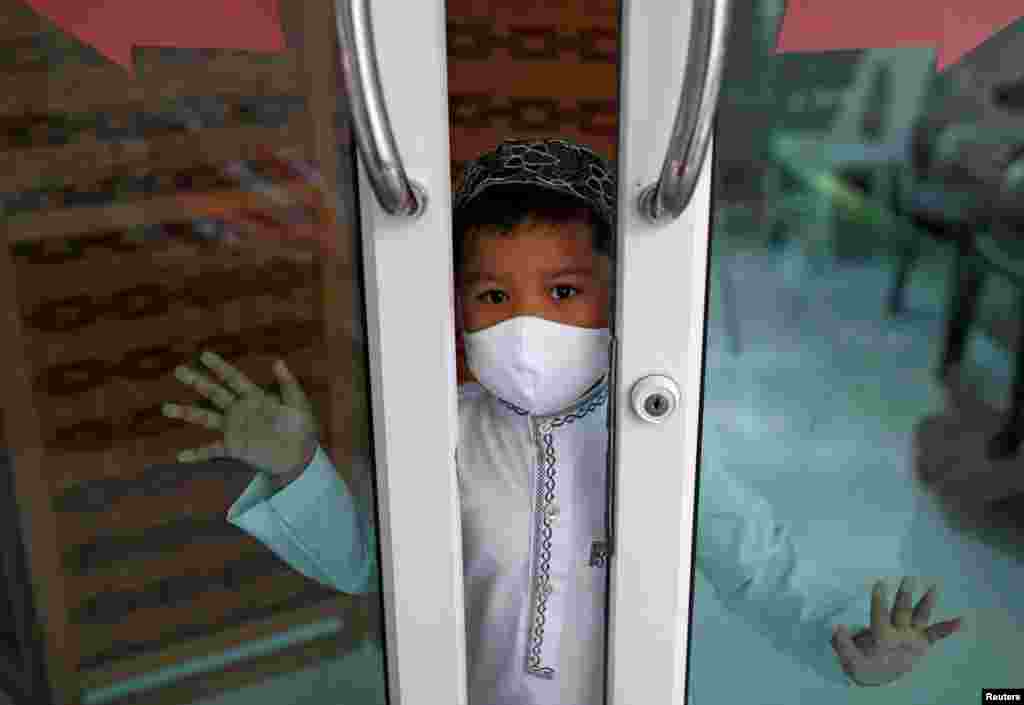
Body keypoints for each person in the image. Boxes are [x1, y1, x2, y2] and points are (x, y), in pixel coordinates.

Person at [162, 139, 963, 705]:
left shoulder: (652, 436)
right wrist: (298, 467)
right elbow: (366, 563)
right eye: (494, 295)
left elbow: (757, 567)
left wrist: (845, 638)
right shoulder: (438, 429)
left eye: (564, 292)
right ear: (459, 307)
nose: (526, 324)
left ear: (617, 294)